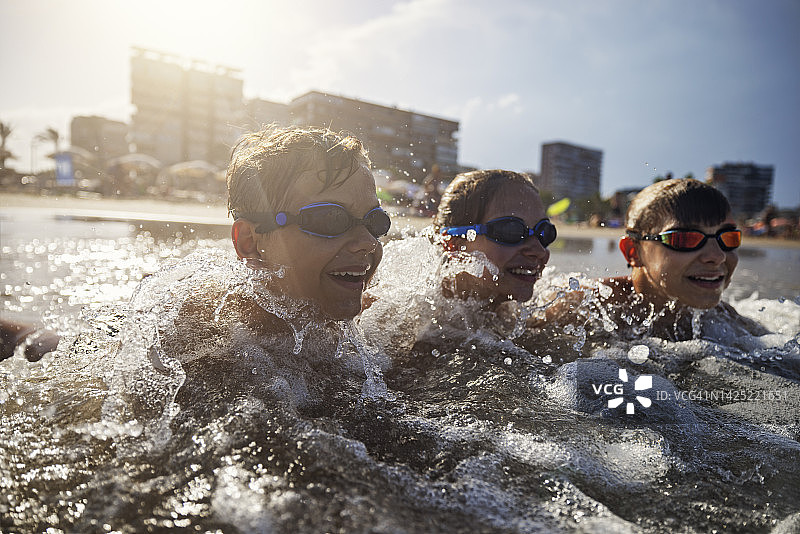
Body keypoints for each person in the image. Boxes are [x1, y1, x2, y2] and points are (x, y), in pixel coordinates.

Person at [592, 178, 767, 340]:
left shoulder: (725, 319)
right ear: (633, 252)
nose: (717, 256)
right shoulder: (586, 309)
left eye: (728, 238)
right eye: (686, 239)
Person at [433, 169, 556, 304]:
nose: (539, 251)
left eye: (544, 232)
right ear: (453, 245)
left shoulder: (547, 306)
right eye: (511, 230)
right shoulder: (420, 318)